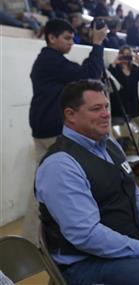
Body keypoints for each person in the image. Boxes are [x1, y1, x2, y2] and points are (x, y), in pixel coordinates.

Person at [35, 80, 139, 285]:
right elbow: (87, 235)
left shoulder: (110, 145)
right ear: (70, 115)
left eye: (106, 106)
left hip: (125, 240)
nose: (106, 114)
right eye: (96, 109)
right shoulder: (60, 165)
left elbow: (134, 194)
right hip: (87, 262)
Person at [24, 18, 107, 244]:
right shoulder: (51, 61)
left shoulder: (50, 61)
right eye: (67, 38)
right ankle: (35, 242)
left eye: (73, 38)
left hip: (43, 127)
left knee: (42, 186)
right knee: (47, 189)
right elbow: (90, 75)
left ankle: (34, 241)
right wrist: (97, 44)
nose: (71, 42)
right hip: (50, 130)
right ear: (51, 38)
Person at [107, 45, 139, 124]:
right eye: (124, 54)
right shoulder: (115, 68)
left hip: (133, 106)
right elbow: (109, 78)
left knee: (136, 132)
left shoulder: (134, 69)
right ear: (120, 55)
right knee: (122, 133)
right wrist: (115, 62)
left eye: (128, 54)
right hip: (119, 106)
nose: (126, 57)